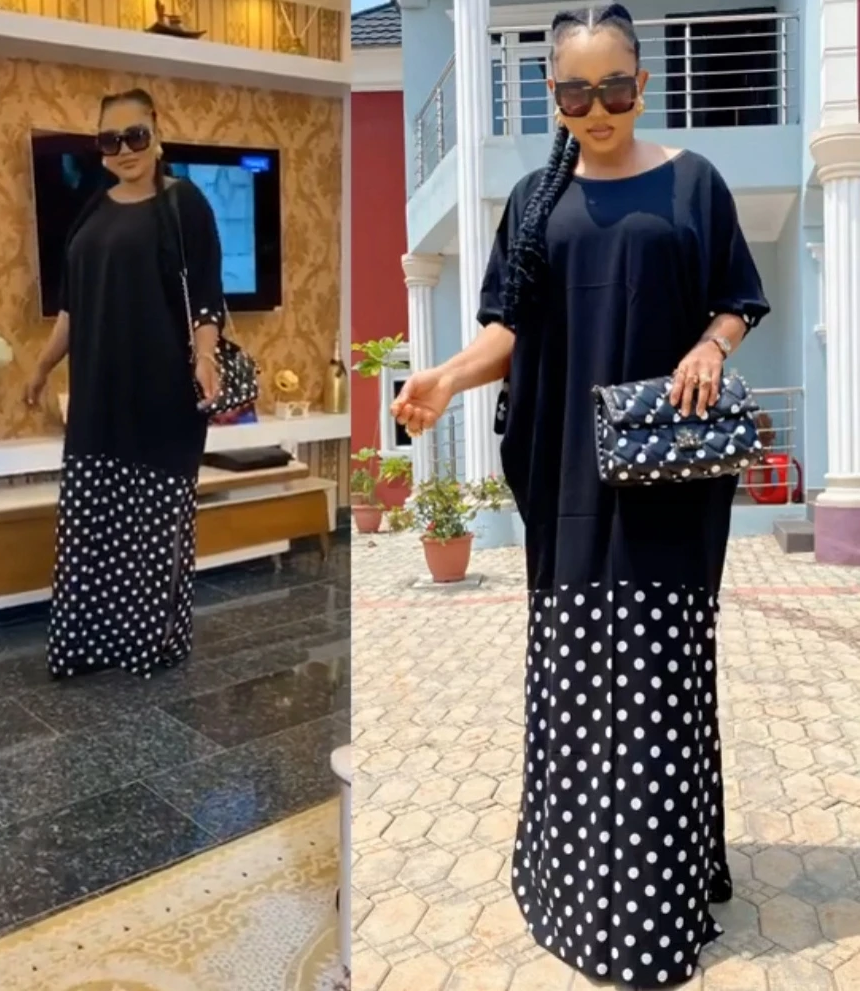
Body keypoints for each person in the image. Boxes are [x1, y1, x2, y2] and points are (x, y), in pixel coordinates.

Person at [391, 6, 769, 988]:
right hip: (567, 480)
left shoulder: (692, 181)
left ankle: (653, 901)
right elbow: (506, 331)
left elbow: (736, 297)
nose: (596, 109)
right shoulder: (535, 200)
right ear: (550, 95)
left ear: (642, 83)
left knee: (660, 683)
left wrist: (708, 345)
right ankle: (573, 885)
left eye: (613, 88)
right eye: (573, 92)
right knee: (575, 683)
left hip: (667, 483)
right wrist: (443, 377)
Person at [25, 88, 225, 680]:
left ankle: (146, 646)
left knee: (153, 528)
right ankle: (86, 647)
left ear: (156, 133)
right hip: (97, 396)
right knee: (91, 524)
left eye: (135, 135)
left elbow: (206, 298)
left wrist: (206, 358)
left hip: (161, 393)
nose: (124, 150)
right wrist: (42, 366)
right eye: (110, 141)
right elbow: (72, 308)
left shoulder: (183, 202)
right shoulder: (91, 209)